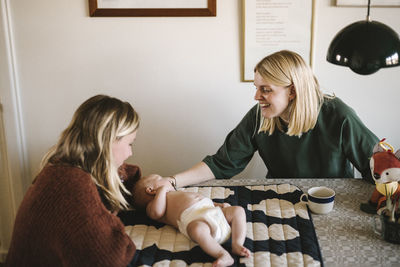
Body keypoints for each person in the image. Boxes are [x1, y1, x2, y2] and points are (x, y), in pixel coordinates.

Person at [163, 50, 379, 188]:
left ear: (292, 91)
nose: (256, 97)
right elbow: (221, 164)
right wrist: (172, 181)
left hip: (329, 202)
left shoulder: (339, 116)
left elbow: (379, 168)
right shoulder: (259, 116)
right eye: (256, 88)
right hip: (281, 198)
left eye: (265, 90)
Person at [5, 95, 142, 267]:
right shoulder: (70, 185)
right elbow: (109, 259)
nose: (130, 153)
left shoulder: (64, 168)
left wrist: (142, 185)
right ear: (108, 140)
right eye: (130, 144)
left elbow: (120, 178)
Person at [132, 174, 250, 267]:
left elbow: (202, 199)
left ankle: (237, 243)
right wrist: (161, 191)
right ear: (150, 190)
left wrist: (218, 205)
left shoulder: (175, 193)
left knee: (238, 210)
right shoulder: (154, 204)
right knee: (197, 230)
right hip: (196, 220)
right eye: (160, 178)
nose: (166, 179)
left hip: (212, 211)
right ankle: (222, 254)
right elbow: (157, 213)